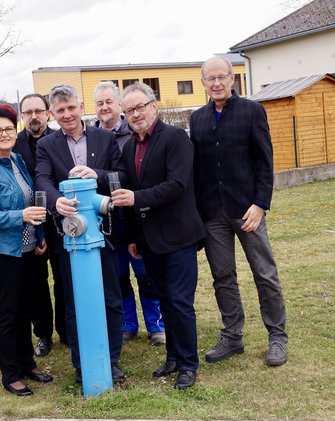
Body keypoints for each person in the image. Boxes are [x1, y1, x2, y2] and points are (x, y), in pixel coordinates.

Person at [190, 55, 288, 367]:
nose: (216, 83)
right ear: (203, 83)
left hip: (248, 211)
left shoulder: (252, 111)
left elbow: (265, 162)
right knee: (223, 276)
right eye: (211, 79)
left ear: (233, 79)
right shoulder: (197, 119)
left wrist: (260, 205)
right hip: (213, 213)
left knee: (265, 274)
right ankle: (232, 336)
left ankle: (277, 336)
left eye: (222, 77)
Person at [111, 82, 206, 389]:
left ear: (154, 106)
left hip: (179, 236)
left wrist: (137, 199)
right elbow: (130, 194)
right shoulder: (129, 147)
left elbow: (177, 185)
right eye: (129, 110)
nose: (136, 114)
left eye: (140, 107)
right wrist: (134, 238)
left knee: (179, 301)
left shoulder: (176, 138)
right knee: (164, 300)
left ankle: (189, 364)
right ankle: (174, 358)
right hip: (149, 241)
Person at [35, 84, 125, 384]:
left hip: (104, 233)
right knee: (73, 300)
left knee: (111, 297)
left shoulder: (106, 138)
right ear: (52, 113)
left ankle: (111, 360)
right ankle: (81, 362)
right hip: (69, 236)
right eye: (60, 110)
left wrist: (97, 175)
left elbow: (120, 175)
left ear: (80, 105)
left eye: (71, 107)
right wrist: (54, 201)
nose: (67, 114)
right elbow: (42, 179)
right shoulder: (46, 145)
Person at [0, 103, 53, 396]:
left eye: (8, 128)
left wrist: (39, 233)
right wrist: (20, 217)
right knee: (6, 313)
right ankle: (10, 374)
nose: (4, 134)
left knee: (26, 308)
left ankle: (27, 362)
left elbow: (32, 200)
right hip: (0, 253)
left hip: (28, 250)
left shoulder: (17, 160)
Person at [93, 81, 165, 347]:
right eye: (99, 103)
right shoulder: (93, 138)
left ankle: (156, 324)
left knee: (146, 274)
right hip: (109, 221)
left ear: (119, 105)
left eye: (109, 101)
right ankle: (128, 324)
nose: (105, 107)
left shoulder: (134, 131)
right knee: (119, 276)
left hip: (137, 215)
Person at [13, 93, 66, 356]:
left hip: (58, 221)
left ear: (47, 112)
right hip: (28, 222)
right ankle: (43, 334)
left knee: (62, 279)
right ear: (22, 117)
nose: (33, 116)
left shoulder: (60, 139)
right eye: (27, 112)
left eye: (38, 111)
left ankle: (67, 331)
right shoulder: (13, 145)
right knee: (36, 284)